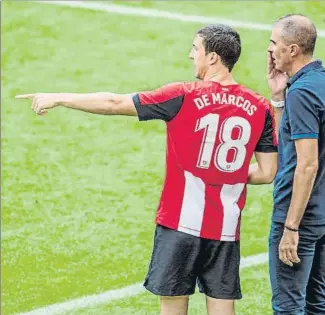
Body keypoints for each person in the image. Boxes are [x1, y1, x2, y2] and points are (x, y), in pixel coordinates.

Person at [16, 24, 278, 315]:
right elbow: (267, 172)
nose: (191, 55)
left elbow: (115, 102)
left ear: (213, 58)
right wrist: (223, 176)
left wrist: (60, 97)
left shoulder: (183, 95)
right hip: (226, 230)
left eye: (195, 49)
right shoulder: (260, 106)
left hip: (180, 226)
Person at [266, 14, 325, 315]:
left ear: (292, 50)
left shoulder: (303, 93)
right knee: (316, 305)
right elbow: (288, 144)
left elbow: (307, 165)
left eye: (274, 43)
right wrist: (278, 97)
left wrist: (291, 226)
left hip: (300, 218)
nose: (270, 51)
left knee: (288, 308)